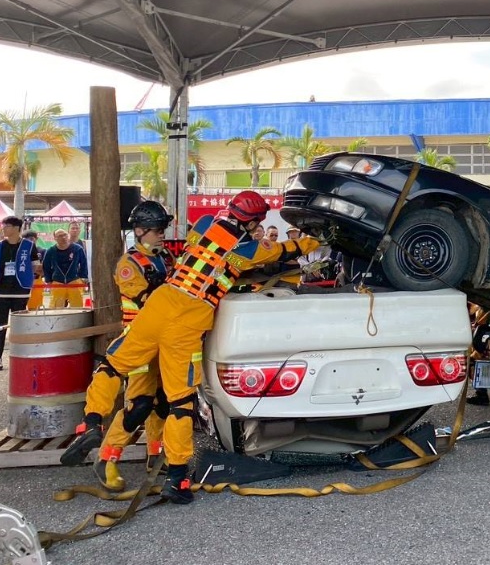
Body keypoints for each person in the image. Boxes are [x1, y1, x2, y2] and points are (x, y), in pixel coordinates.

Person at [61, 191, 322, 503]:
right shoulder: (249, 249)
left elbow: (211, 260)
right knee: (179, 403)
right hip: (189, 320)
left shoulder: (204, 225)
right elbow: (282, 250)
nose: (161, 234)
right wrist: (315, 240)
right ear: (254, 222)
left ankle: (91, 423)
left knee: (114, 368)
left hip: (160, 306)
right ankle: (175, 478)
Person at [92, 201, 176, 492]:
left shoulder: (166, 257)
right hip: (138, 342)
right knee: (140, 404)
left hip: (166, 340)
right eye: (156, 229)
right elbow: (149, 301)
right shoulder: (128, 265)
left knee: (163, 401)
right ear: (139, 231)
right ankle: (107, 458)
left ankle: (156, 455)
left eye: (163, 229)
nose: (162, 234)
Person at [0, 216, 42, 370]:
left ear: (16, 228)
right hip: (1, 290)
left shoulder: (28, 246)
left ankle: (19, 355)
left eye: (6, 226)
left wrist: (36, 273)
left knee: (19, 325)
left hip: (20, 290)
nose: (3, 229)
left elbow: (36, 266)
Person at [42, 228, 89, 308]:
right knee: (56, 307)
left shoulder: (77, 249)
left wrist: (83, 277)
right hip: (58, 281)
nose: (63, 237)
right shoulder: (51, 251)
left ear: (68, 235)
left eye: (65, 235)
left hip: (74, 280)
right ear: (55, 238)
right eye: (60, 236)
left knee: (77, 306)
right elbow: (46, 266)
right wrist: (48, 280)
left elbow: (84, 263)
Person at [22, 231, 46, 310]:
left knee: (34, 307)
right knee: (20, 306)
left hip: (37, 280)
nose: (29, 241)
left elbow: (42, 267)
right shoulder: (21, 252)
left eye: (32, 239)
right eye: (26, 239)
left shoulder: (42, 251)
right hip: (23, 280)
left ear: (36, 239)